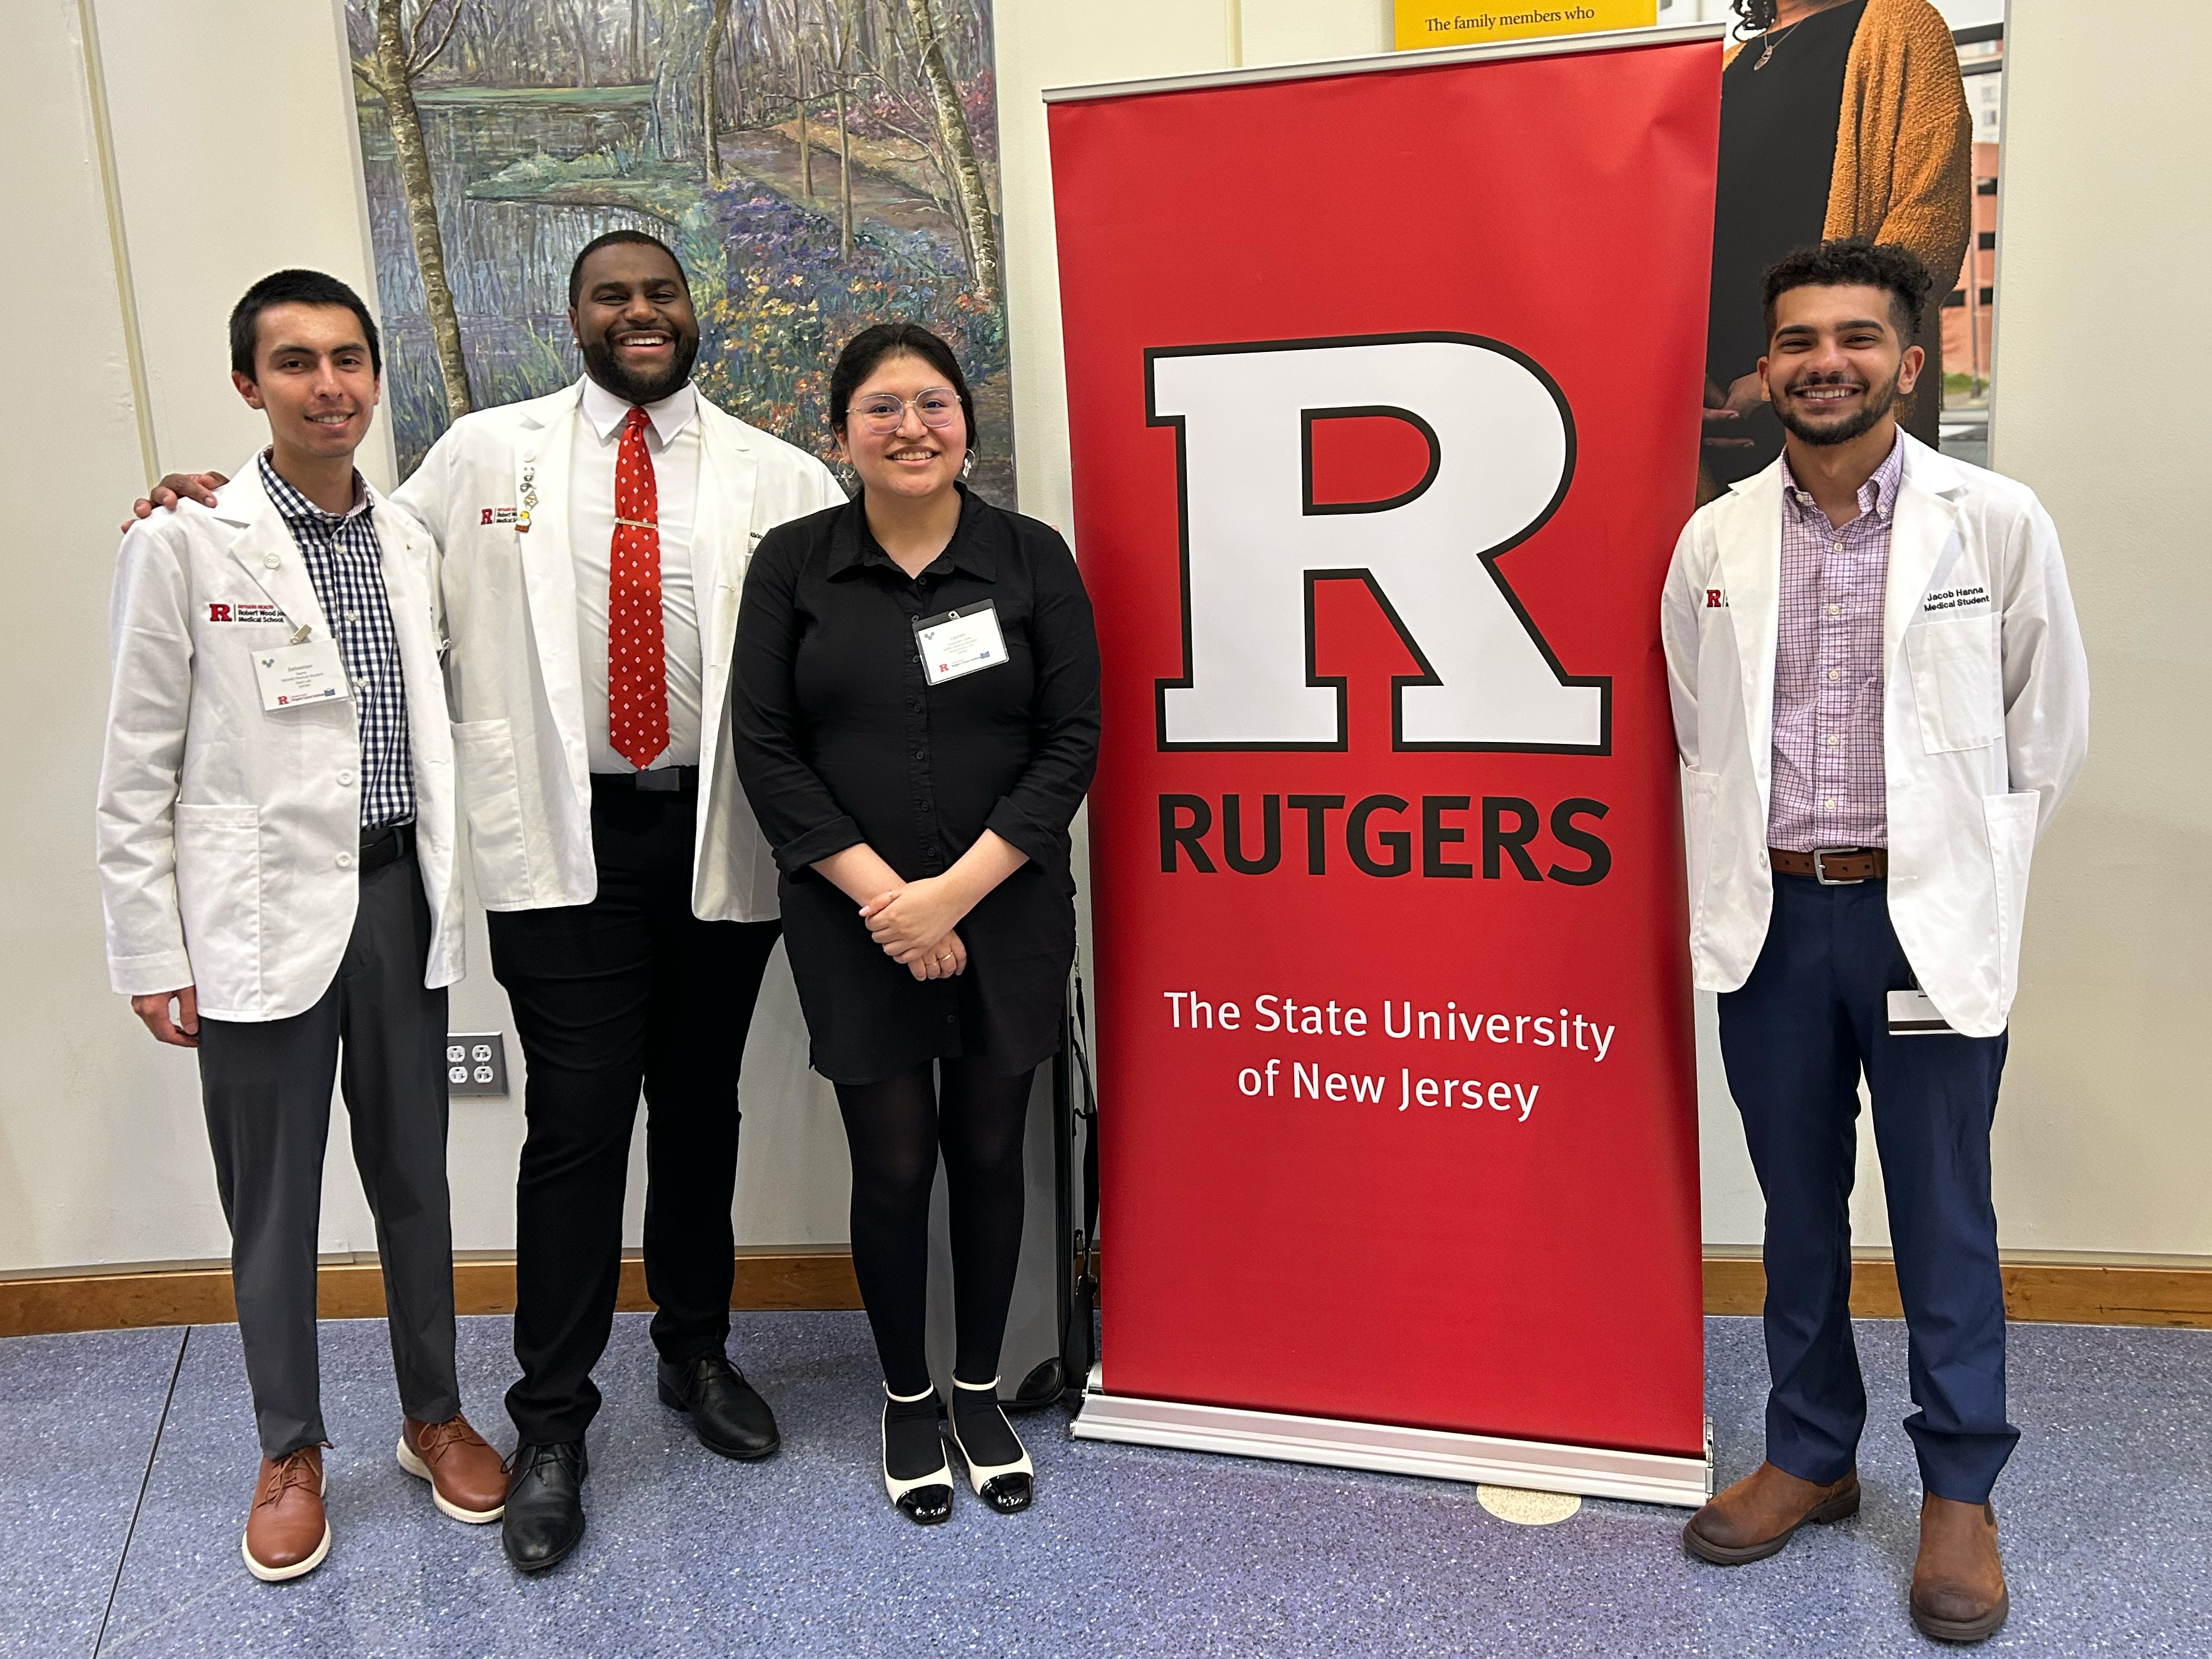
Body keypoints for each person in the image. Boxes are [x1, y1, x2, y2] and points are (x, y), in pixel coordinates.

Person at [131, 230, 845, 1574]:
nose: (639, 312)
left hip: (714, 830)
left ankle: (693, 1354)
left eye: (659, 292)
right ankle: (554, 1422)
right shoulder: (479, 455)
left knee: (701, 1107)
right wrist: (205, 504)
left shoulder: (781, 473)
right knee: (575, 1124)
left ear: (690, 313)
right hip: (554, 841)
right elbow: (338, 548)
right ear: (571, 318)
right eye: (609, 295)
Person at [1661, 239, 2088, 1644]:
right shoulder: (1714, 536)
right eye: (1795, 340)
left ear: (1911, 363)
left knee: (1939, 1213)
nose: (1821, 361)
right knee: (1795, 1208)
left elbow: (2043, 732)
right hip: (1776, 918)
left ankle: (1958, 1488)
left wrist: (1968, 870)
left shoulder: (1993, 520)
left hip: (1921, 919)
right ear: (1764, 370)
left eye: (1853, 337)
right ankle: (1811, 1451)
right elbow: (1695, 730)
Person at [97, 270, 508, 1582]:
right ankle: (288, 1445)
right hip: (260, 915)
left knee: (415, 1181)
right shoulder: (182, 541)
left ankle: (432, 1412)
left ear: (375, 377)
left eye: (347, 360)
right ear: (248, 385)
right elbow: (134, 766)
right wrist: (151, 950)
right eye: (295, 364)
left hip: (399, 898)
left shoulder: (408, 539)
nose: (329, 386)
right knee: (269, 1203)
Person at [731, 324, 1100, 1524]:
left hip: (1005, 907)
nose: (910, 426)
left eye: (933, 403)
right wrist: (891, 901)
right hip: (852, 920)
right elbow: (769, 752)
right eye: (880, 406)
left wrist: (952, 895)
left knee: (991, 1154)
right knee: (891, 1163)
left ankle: (979, 1388)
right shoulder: (792, 565)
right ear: (838, 433)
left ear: (966, 426)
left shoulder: (1028, 556)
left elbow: (1069, 741)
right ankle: (903, 1393)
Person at [1703, 0, 1972, 493]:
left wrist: (1788, 372)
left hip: (1834, 385)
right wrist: (1685, 381)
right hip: (1711, 413)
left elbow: (1928, 224)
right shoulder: (1720, 63)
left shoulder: (1903, 24)